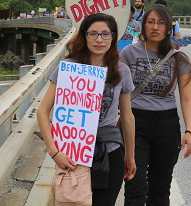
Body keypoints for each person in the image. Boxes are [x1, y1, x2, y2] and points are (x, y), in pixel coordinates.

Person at [37, 13, 137, 206]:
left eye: (105, 34)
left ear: (113, 37)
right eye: (93, 34)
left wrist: (130, 156)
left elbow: (127, 117)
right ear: (84, 36)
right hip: (73, 155)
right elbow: (43, 111)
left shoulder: (121, 70)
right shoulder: (68, 67)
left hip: (110, 153)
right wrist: (54, 151)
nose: (99, 39)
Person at [122, 4, 191, 206]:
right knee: (135, 187)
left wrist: (190, 131)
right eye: (151, 22)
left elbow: (186, 98)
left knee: (160, 189)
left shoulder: (179, 59)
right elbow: (112, 85)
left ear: (168, 28)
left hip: (167, 125)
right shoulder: (128, 53)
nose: (155, 27)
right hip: (134, 124)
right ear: (143, 26)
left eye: (161, 23)